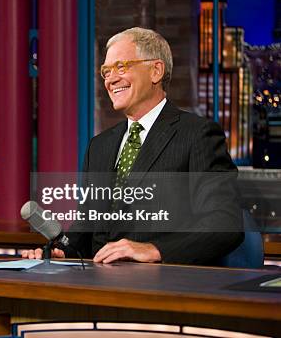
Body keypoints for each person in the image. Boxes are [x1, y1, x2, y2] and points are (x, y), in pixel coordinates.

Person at [23, 27, 243, 265]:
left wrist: (154, 250)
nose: (110, 79)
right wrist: (62, 252)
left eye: (121, 67)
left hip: (163, 286)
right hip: (99, 285)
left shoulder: (197, 135)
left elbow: (225, 223)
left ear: (156, 71)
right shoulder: (99, 146)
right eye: (106, 71)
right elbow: (86, 229)